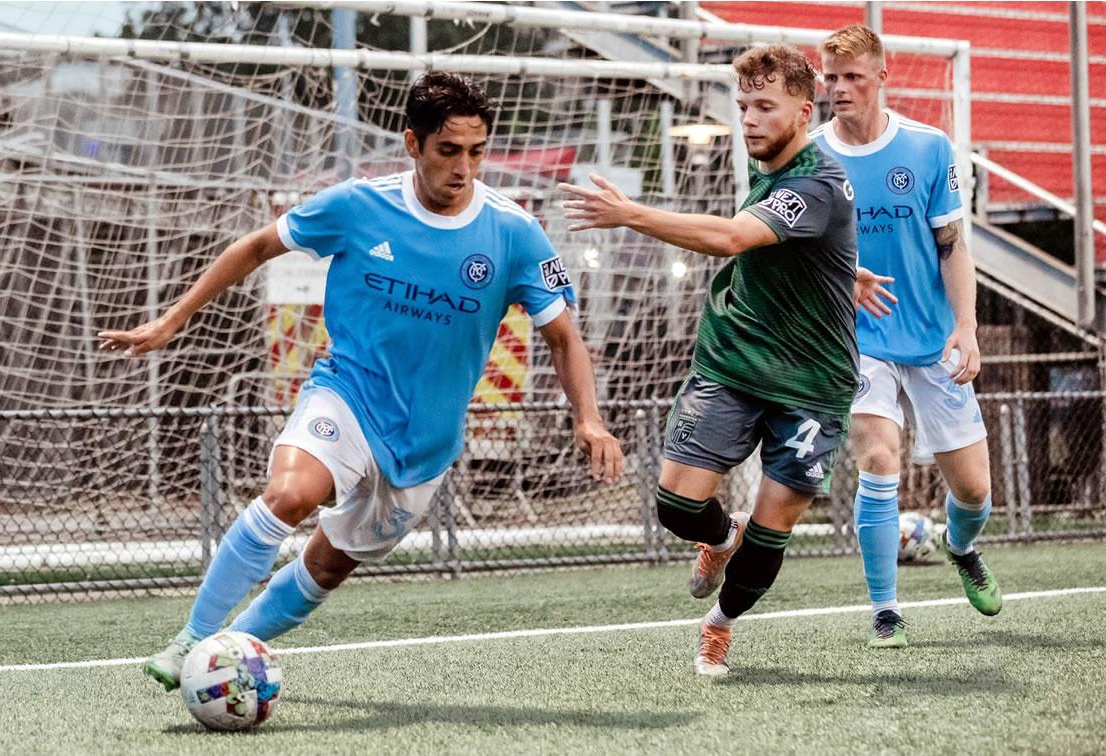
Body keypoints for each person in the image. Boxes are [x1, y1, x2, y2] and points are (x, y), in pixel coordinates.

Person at [100, 72, 624, 691]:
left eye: (477, 152)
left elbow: (563, 336)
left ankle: (224, 652)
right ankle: (191, 640)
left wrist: (586, 417)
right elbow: (257, 246)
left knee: (326, 564)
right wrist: (171, 321)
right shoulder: (358, 204)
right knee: (291, 495)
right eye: (448, 151)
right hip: (345, 395)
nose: (464, 168)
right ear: (413, 144)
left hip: (424, 442)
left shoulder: (513, 234)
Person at [559, 44, 894, 676]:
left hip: (812, 385)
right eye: (743, 106)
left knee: (772, 534)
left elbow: (735, 238)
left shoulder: (816, 181)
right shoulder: (769, 160)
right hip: (734, 360)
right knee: (675, 507)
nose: (749, 120)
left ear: (805, 109)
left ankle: (720, 625)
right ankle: (718, 536)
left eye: (765, 106)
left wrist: (630, 215)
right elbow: (786, 243)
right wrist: (838, 269)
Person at [814, 24, 1001, 649]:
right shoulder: (811, 157)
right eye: (831, 77)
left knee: (974, 490)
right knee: (877, 458)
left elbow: (953, 248)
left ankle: (960, 544)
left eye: (851, 77)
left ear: (881, 75)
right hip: (857, 339)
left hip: (931, 340)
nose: (838, 89)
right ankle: (885, 608)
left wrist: (967, 329)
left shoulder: (928, 148)